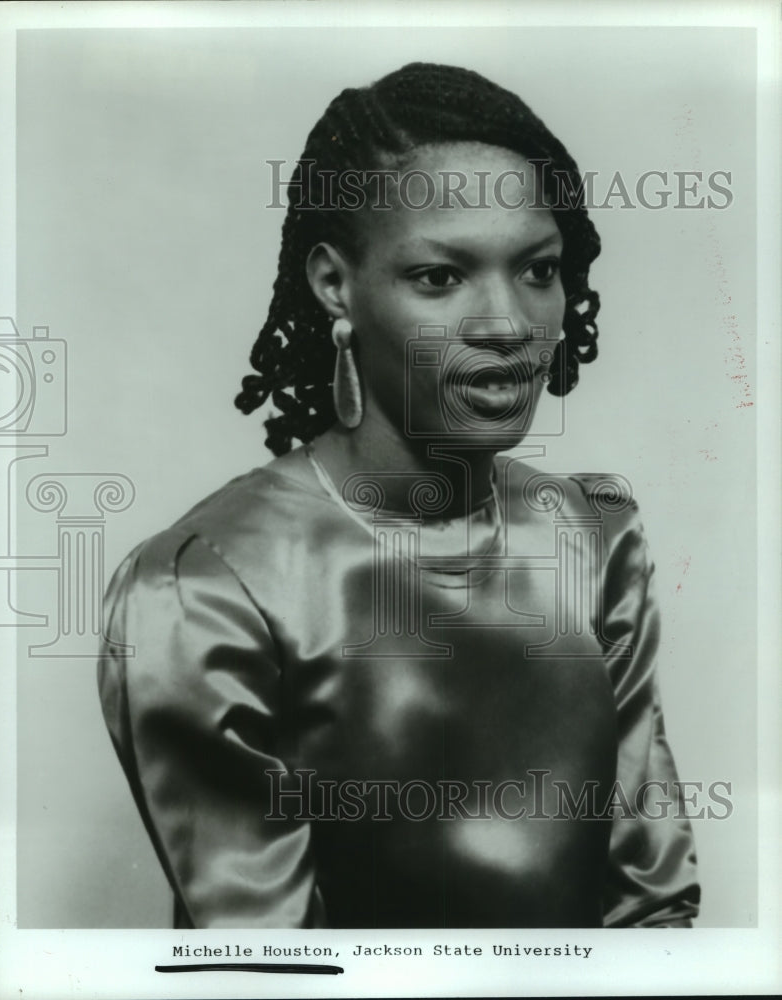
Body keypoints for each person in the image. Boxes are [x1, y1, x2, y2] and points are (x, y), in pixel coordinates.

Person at [97, 62, 700, 929]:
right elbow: (266, 974)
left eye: (537, 270)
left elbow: (653, 909)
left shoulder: (592, 537)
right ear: (335, 284)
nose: (506, 324)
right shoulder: (205, 590)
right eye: (438, 277)